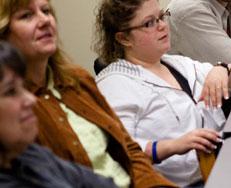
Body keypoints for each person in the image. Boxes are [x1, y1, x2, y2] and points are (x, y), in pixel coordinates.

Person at [0, 0, 176, 187]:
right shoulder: (16, 112)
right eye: (26, 16)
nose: (45, 20)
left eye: (46, 11)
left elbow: (129, 149)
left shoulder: (78, 79)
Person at [95, 0, 231, 187]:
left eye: (161, 17)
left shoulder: (178, 64)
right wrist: (173, 145)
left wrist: (223, 69)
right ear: (124, 38)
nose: (162, 26)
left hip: (226, 166)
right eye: (149, 23)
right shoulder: (114, 85)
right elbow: (118, 150)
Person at [0, 41, 117, 188]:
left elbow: (103, 184)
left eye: (23, 87)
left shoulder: (31, 155)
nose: (31, 99)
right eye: (11, 91)